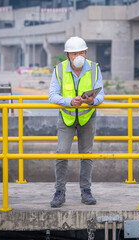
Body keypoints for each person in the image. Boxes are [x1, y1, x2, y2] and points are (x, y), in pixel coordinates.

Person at [48, 36, 105, 208]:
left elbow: (101, 95)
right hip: (67, 118)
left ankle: (86, 191)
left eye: (81, 52)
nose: (78, 56)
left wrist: (91, 101)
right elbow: (52, 95)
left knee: (86, 155)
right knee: (62, 153)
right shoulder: (59, 70)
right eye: (74, 53)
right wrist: (69, 102)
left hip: (87, 117)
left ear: (86, 52)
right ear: (67, 55)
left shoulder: (94, 68)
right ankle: (59, 192)